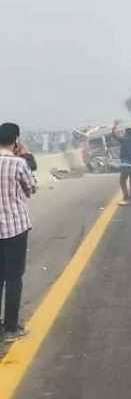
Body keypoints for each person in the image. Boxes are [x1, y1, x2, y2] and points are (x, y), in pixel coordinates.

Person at [0, 123, 37, 342]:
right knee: (14, 278)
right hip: (15, 228)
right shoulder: (18, 163)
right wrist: (25, 154)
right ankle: (11, 328)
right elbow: (31, 188)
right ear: (16, 140)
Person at [112, 121, 131, 206]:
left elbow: (114, 135)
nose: (123, 134)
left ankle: (126, 198)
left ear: (127, 134)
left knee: (122, 181)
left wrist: (114, 126)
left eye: (125, 132)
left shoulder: (124, 140)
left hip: (126, 164)